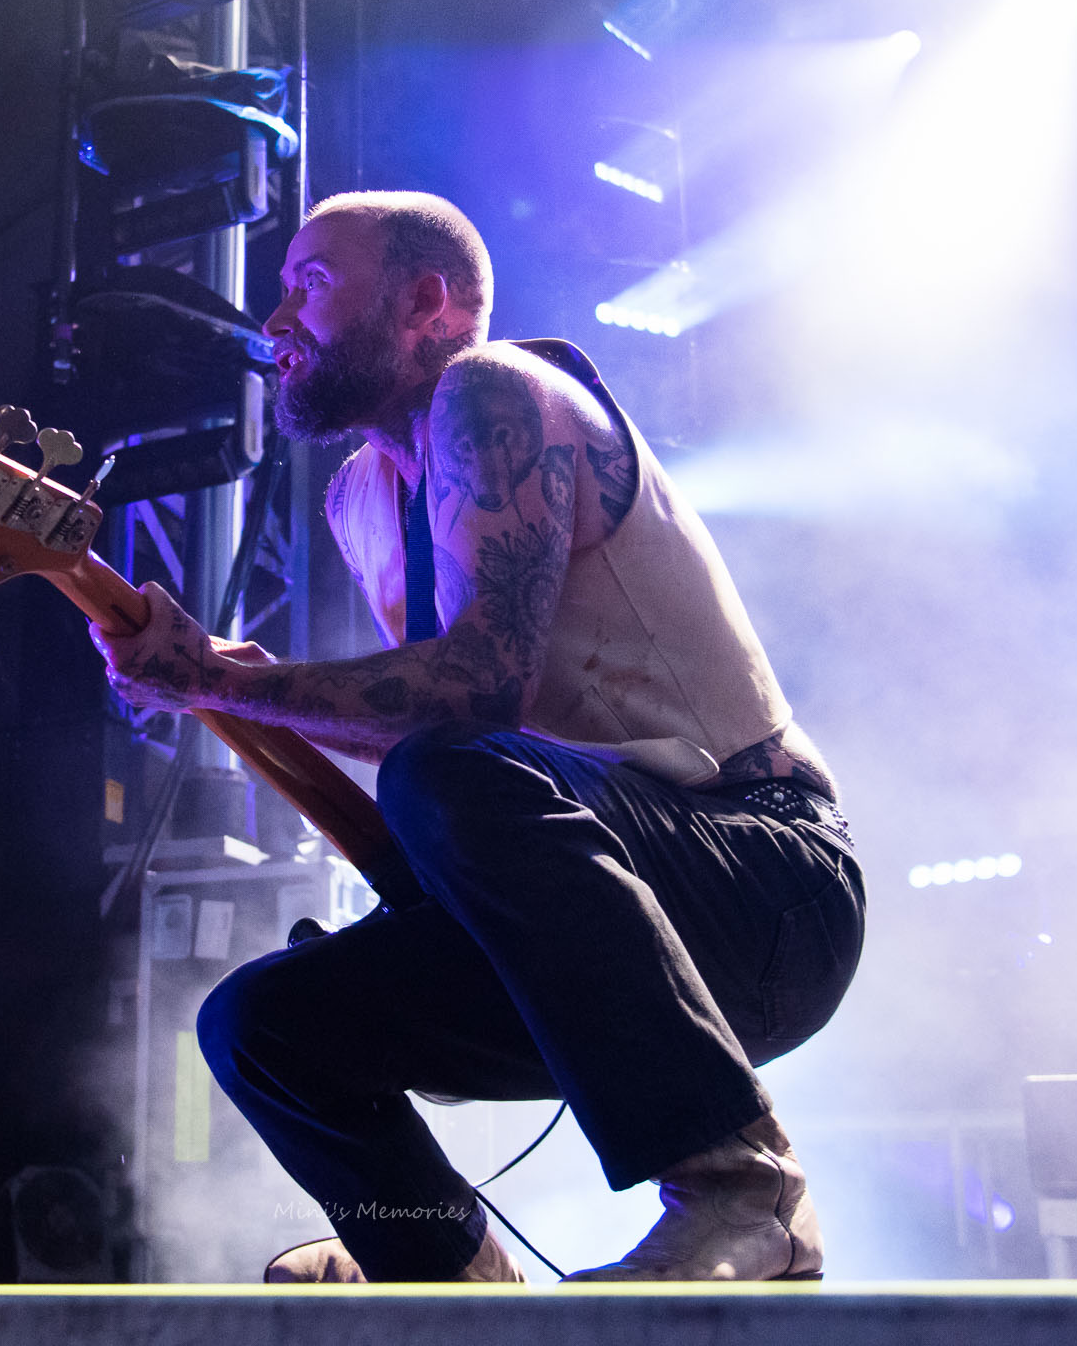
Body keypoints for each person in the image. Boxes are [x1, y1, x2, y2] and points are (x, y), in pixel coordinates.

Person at [92, 191, 865, 1282]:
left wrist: (223, 680)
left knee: (440, 770)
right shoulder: (361, 496)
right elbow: (440, 716)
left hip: (769, 887)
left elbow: (477, 693)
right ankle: (448, 1271)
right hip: (611, 912)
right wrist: (227, 684)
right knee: (259, 1024)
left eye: (312, 282)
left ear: (424, 301)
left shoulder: (492, 392)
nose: (276, 318)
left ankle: (745, 1188)